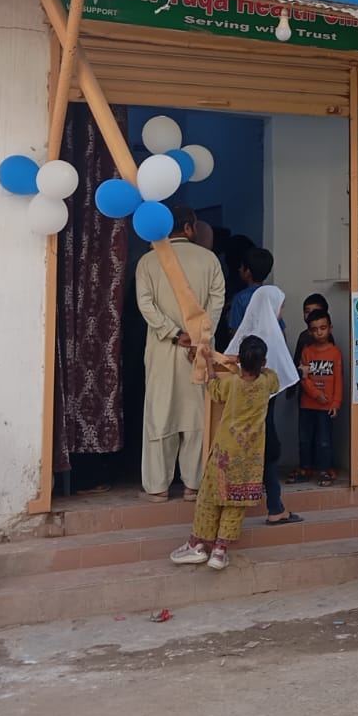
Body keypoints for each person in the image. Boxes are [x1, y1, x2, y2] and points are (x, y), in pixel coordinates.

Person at [135, 206, 226, 500]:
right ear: (190, 228)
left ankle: (157, 487)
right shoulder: (209, 259)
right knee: (196, 416)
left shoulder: (148, 262)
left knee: (160, 414)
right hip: (198, 351)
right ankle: (193, 486)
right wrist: (199, 336)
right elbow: (217, 300)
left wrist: (174, 333)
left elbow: (146, 305)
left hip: (163, 349)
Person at [170, 336, 279, 570]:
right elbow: (270, 376)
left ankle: (197, 545)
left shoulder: (232, 384)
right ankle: (220, 550)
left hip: (225, 451)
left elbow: (214, 388)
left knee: (210, 497)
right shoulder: (268, 381)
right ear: (263, 362)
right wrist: (246, 362)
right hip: (250, 456)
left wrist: (210, 361)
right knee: (236, 501)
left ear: (240, 360)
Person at [225, 284, 302, 526]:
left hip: (238, 421)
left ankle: (272, 506)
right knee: (269, 453)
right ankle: (275, 508)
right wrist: (300, 371)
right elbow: (282, 373)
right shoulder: (272, 338)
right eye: (280, 306)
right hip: (261, 416)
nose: (281, 311)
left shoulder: (245, 337)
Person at [295, 309, 344, 486]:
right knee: (305, 439)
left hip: (327, 406)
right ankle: (306, 468)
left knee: (324, 440)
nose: (319, 332)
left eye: (323, 328)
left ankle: (324, 469)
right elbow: (304, 378)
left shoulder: (335, 352)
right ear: (309, 331)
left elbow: (339, 379)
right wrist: (316, 394)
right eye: (315, 329)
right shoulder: (307, 352)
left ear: (330, 328)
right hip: (308, 404)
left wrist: (336, 403)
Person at [227, 246, 274, 333]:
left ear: (248, 272)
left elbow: (235, 331)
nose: (239, 269)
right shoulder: (271, 297)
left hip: (247, 345)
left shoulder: (240, 298)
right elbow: (280, 329)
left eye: (241, 266)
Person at [293, 292, 329, 359]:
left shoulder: (325, 336)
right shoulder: (303, 336)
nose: (311, 315)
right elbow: (297, 362)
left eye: (315, 311)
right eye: (307, 311)